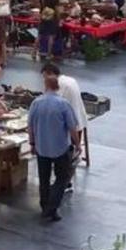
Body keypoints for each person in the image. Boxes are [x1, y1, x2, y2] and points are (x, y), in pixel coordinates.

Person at [27, 74, 79, 222]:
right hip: (60, 148)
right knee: (62, 178)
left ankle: (45, 206)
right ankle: (52, 207)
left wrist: (32, 144)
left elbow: (30, 126)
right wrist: (77, 143)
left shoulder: (36, 103)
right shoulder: (63, 104)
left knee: (43, 178)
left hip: (41, 148)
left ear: (45, 86)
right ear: (57, 87)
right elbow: (72, 127)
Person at [42, 63, 87, 193]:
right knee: (71, 155)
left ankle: (65, 184)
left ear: (50, 74)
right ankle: (66, 181)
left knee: (67, 156)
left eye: (45, 77)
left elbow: (53, 103)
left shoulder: (60, 85)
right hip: (78, 120)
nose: (44, 81)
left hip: (70, 124)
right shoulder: (70, 79)